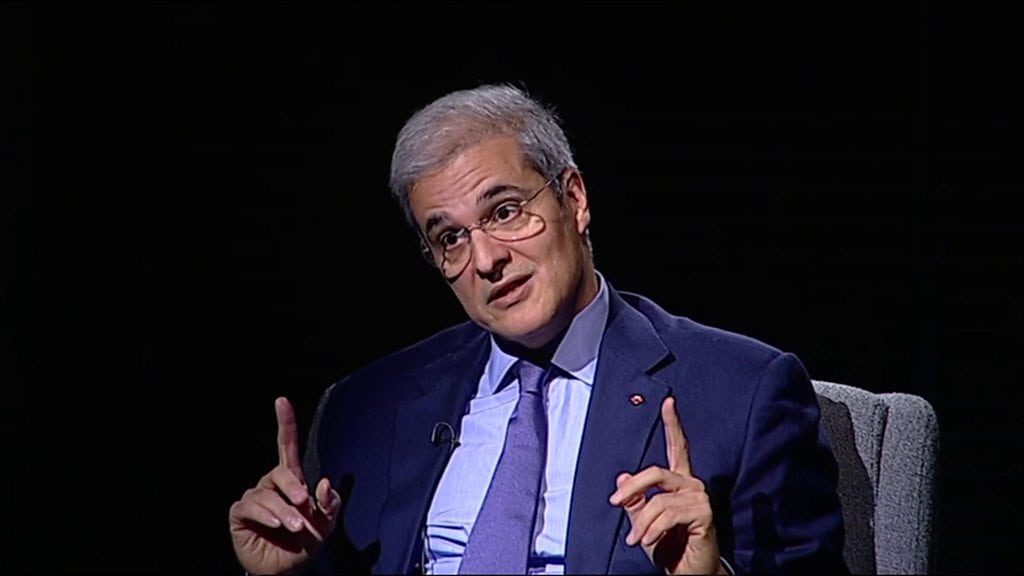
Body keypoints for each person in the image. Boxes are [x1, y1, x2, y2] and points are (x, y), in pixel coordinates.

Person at [228, 84, 848, 575]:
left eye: (505, 211)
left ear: (574, 199)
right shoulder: (366, 410)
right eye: (450, 238)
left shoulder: (741, 392)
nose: (486, 259)